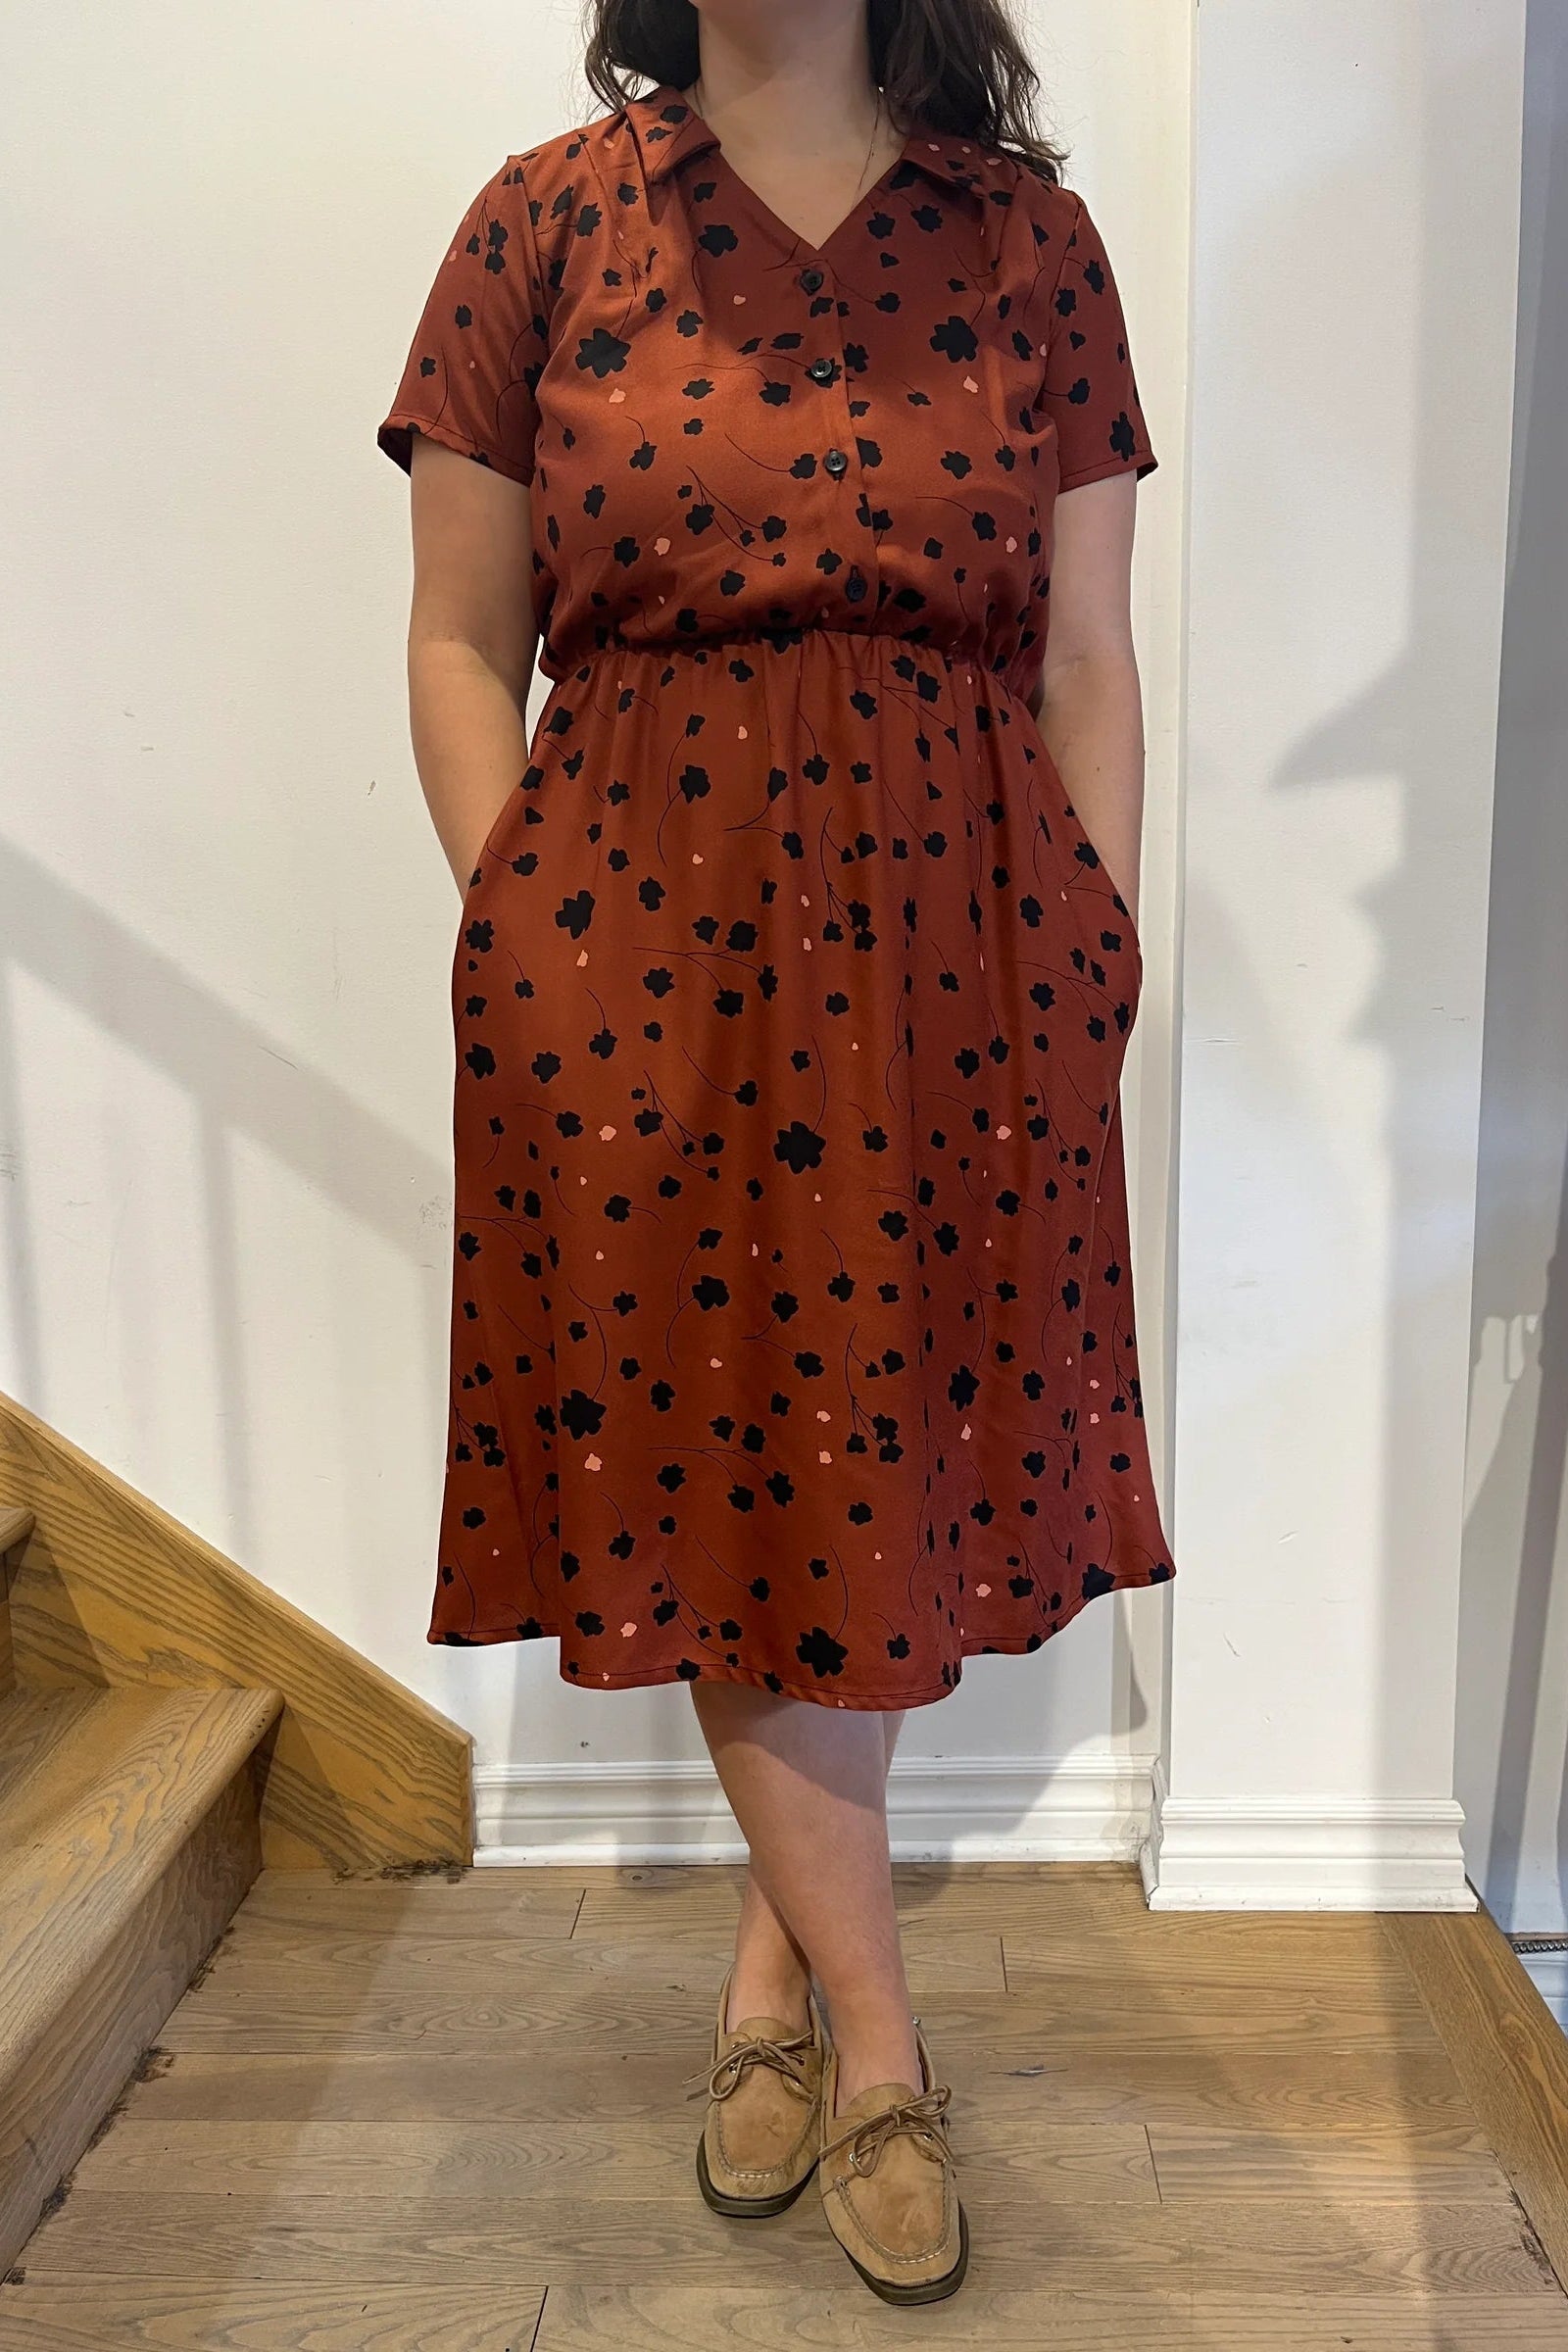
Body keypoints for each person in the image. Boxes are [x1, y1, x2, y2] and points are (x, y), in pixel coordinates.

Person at [378, 0, 1174, 2306]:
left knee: (872, 1472)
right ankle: (882, 2037)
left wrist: (1086, 953)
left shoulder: (1031, 244)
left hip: (963, 954)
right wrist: (516, 916)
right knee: (718, 1448)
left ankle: (764, 1980)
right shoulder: (545, 225)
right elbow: (453, 635)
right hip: (635, 944)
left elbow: (1087, 657)